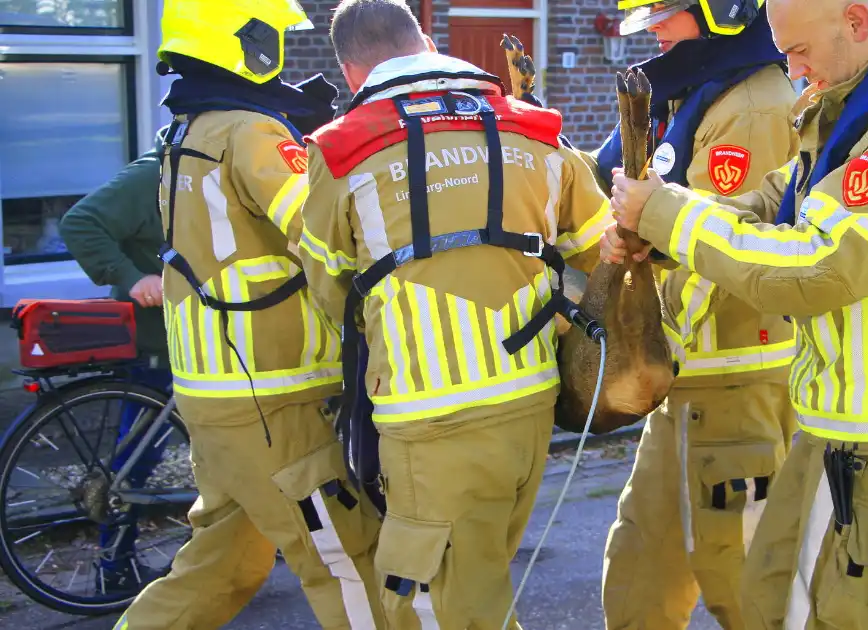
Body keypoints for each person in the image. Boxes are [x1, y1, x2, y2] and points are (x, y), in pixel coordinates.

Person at [605, 0, 868, 627]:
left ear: (853, 19)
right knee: (768, 605)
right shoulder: (858, 104)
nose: (789, 68)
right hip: (842, 423)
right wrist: (659, 234)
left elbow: (821, 267)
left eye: (796, 51)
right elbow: (777, 199)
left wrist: (667, 216)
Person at [297, 0, 613, 626]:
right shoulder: (533, 129)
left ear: (352, 73)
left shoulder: (341, 150)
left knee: (436, 609)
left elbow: (329, 288)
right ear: (424, 41)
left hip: (427, 416)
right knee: (480, 587)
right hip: (529, 404)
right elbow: (605, 251)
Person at [112, 1, 386, 628]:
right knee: (347, 558)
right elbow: (325, 229)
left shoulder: (186, 130)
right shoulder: (251, 131)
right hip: (272, 396)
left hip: (216, 398)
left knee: (223, 566)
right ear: (245, 40)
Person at [585, 1, 800, 628]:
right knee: (637, 583)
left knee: (749, 594)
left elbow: (723, 249)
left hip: (734, 386)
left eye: (666, 10)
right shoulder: (700, 91)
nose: (653, 26)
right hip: (684, 385)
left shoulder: (752, 106)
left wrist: (639, 338)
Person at [59, 125, 174, 594]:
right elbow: (79, 222)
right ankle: (114, 566)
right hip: (154, 343)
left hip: (188, 337)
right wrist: (131, 278)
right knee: (137, 461)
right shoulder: (151, 176)